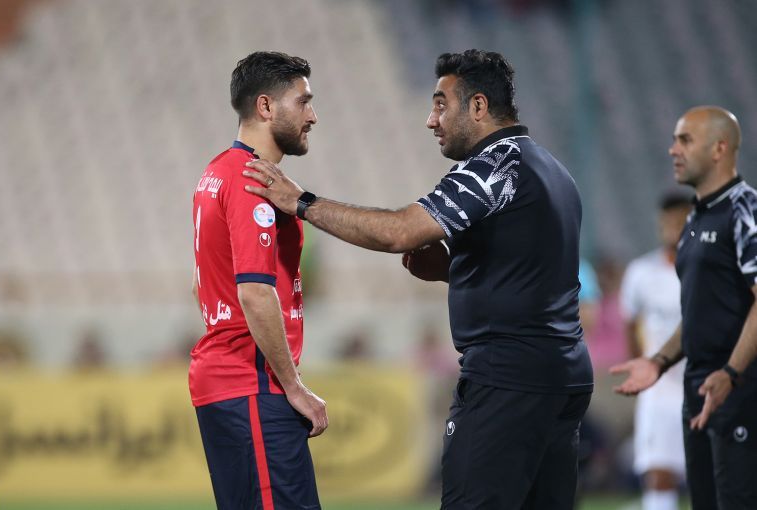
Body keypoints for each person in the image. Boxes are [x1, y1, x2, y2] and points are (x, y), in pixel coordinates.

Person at [244, 49, 593, 510]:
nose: (431, 120)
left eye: (441, 105)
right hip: (563, 372)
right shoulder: (553, 170)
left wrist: (302, 202)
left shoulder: (495, 166)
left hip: (509, 377)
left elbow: (400, 233)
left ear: (479, 106)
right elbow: (531, 276)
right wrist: (452, 269)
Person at [190, 51, 327, 510]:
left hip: (229, 382)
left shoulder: (217, 171)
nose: (312, 116)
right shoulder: (253, 181)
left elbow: (207, 281)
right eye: (303, 101)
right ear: (266, 106)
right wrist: (293, 386)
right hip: (252, 383)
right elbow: (253, 291)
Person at [611, 106, 757, 509]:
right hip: (698, 391)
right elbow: (696, 313)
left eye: (685, 140)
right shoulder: (695, 219)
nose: (673, 149)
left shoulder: (745, 211)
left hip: (738, 393)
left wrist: (731, 373)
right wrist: (658, 361)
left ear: (719, 148)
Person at [619, 192, 691, 510]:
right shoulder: (641, 272)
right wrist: (640, 366)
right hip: (659, 392)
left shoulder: (708, 271)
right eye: (669, 222)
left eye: (681, 221)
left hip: (701, 384)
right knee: (659, 475)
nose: (674, 228)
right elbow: (630, 324)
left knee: (711, 473)